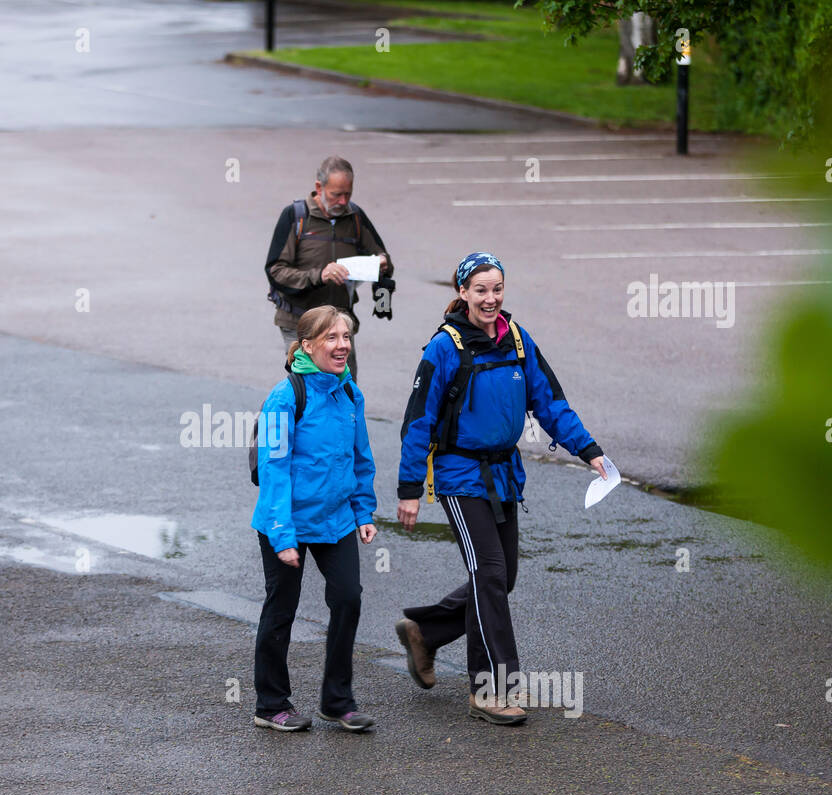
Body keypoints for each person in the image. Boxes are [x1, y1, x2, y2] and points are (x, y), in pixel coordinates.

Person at [394, 252, 608, 725]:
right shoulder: (443, 348)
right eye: (481, 290)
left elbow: (549, 402)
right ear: (464, 293)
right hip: (458, 475)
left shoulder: (516, 339)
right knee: (489, 573)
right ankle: (490, 691)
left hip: (502, 474)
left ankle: (425, 632)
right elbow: (418, 420)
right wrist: (409, 488)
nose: (490, 299)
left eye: (497, 289)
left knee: (502, 576)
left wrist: (589, 450)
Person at [250, 304, 379, 732]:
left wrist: (363, 510)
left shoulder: (349, 393)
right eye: (332, 337)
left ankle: (337, 700)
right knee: (281, 609)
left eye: (346, 337)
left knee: (348, 598)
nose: (342, 345)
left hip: (337, 519)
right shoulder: (285, 396)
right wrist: (282, 535)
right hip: (284, 521)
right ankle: (271, 705)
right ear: (307, 345)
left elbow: (360, 457)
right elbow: (273, 468)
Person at [264, 156, 393, 380]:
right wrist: (319, 276)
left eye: (348, 194)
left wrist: (381, 264)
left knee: (344, 387)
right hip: (299, 323)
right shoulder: (295, 216)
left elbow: (383, 259)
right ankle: (271, 415)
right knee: (308, 387)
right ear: (319, 187)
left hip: (339, 324)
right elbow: (275, 271)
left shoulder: (355, 217)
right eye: (336, 194)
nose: (343, 201)